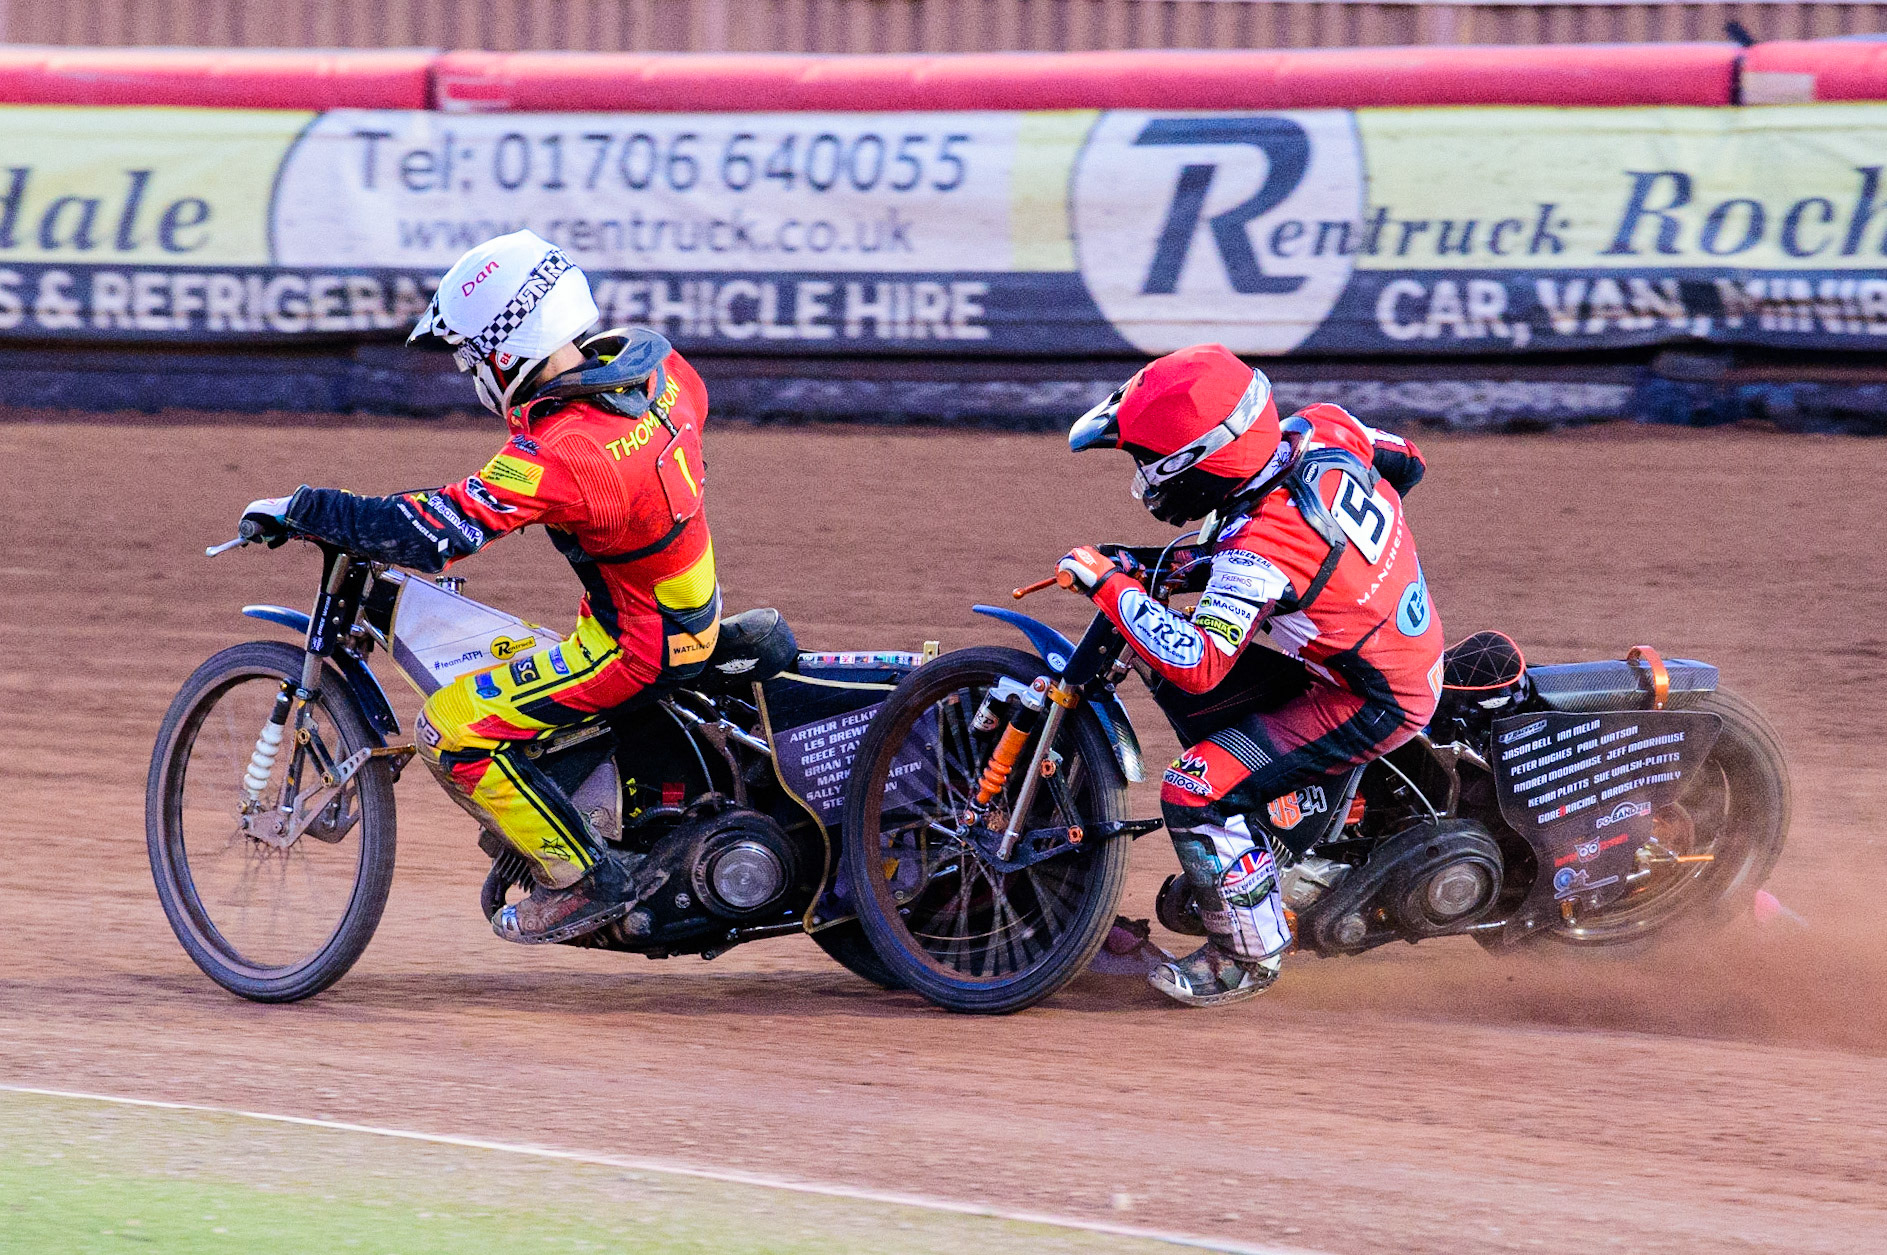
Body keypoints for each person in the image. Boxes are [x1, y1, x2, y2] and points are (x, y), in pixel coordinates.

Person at [237, 230, 718, 946]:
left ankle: (585, 877)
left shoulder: (564, 453)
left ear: (506, 350)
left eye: (471, 358)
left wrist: (309, 509)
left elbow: (436, 533)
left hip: (634, 646)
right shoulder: (660, 372)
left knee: (453, 729)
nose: (472, 375)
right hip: (685, 606)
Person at [1060, 343, 1443, 1006]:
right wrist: (1351, 565)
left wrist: (1109, 586)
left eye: (1149, 461)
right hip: (1395, 635)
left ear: (1203, 461)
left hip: (1368, 697)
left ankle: (1247, 956)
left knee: (1192, 790)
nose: (1145, 476)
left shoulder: (1260, 549)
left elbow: (1199, 664)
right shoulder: (1322, 427)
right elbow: (1408, 459)